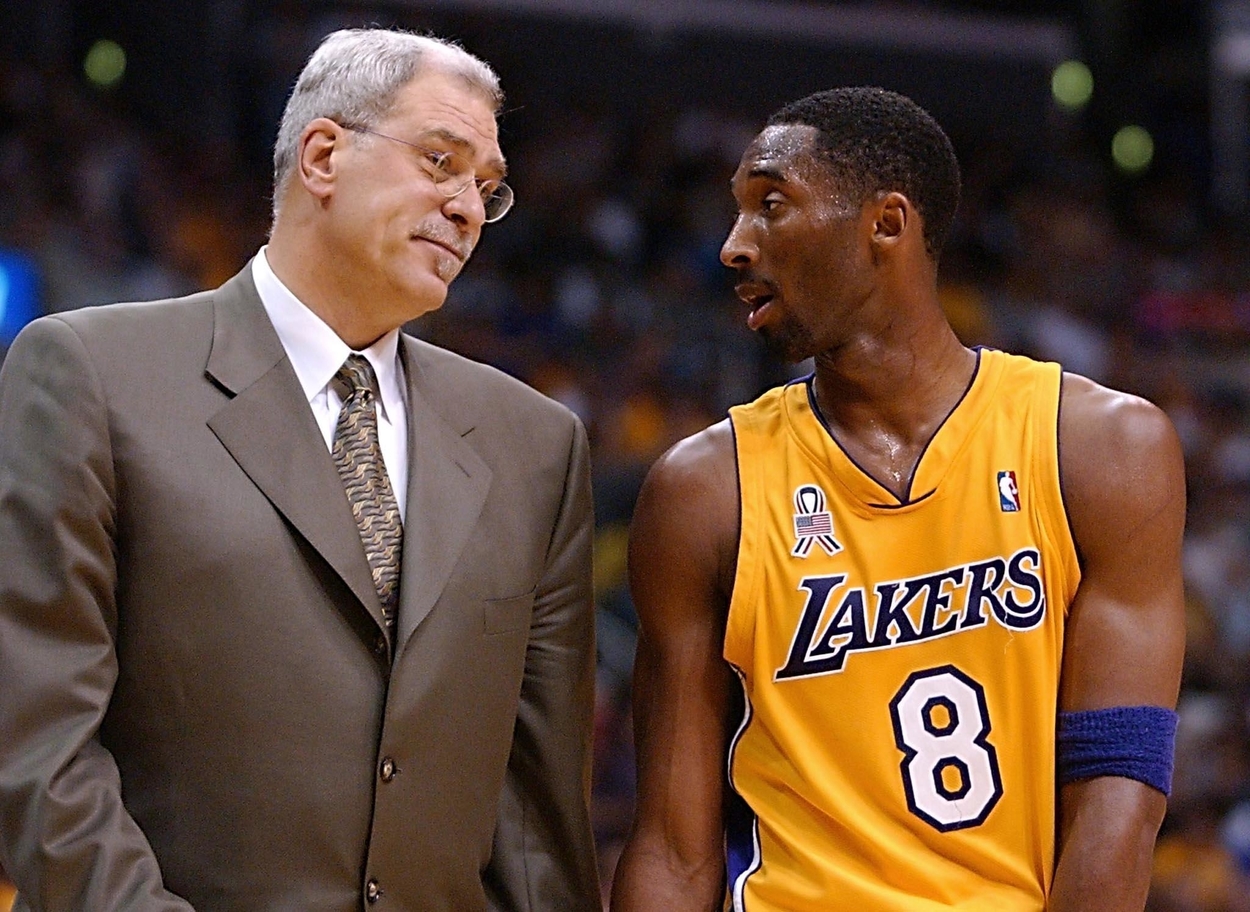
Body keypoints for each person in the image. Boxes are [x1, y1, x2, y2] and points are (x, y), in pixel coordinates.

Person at [0, 28, 600, 911]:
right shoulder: (92, 373)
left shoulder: (537, 443)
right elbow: (37, 737)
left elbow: (536, 820)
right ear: (323, 154)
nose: (470, 206)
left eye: (487, 187)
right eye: (442, 162)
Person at [610, 87, 1185, 911]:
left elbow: (1117, 795)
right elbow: (672, 847)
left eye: (771, 206)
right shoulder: (705, 490)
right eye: (736, 214)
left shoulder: (1100, 448)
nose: (735, 246)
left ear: (887, 224)